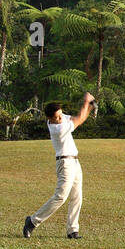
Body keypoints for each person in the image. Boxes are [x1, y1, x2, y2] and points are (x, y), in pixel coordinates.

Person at [23, 94, 95, 240]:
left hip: (75, 162)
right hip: (65, 163)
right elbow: (79, 119)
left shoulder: (61, 118)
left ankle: (72, 230)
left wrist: (90, 106)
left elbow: (79, 117)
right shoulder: (58, 128)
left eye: (61, 114)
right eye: (58, 116)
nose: (61, 117)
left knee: (77, 196)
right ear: (50, 119)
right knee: (60, 197)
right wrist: (87, 102)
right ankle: (32, 221)